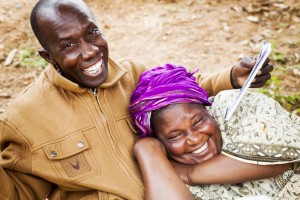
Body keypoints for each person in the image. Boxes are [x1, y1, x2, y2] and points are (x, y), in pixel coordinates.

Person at [0, 0, 273, 199]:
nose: (90, 52)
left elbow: (175, 92)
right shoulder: (24, 117)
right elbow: (19, 190)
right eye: (69, 45)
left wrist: (232, 78)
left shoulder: (131, 74)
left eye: (92, 33)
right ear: (48, 57)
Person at [129, 64, 300, 200]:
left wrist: (190, 174)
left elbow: (280, 158)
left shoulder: (235, 107)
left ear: (207, 107)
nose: (194, 139)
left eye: (198, 121)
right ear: (160, 142)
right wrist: (148, 149)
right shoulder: (169, 176)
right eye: (175, 136)